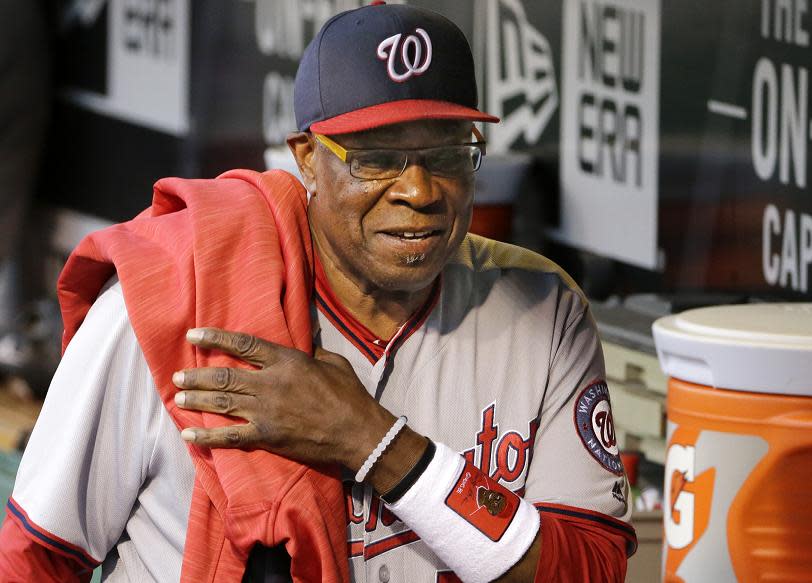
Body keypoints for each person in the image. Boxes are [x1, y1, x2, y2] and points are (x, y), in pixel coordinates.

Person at [0, 3, 636, 582]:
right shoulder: (169, 304)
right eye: (377, 158)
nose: (419, 191)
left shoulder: (544, 313)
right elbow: (38, 557)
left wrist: (372, 441)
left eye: (445, 153)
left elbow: (593, 567)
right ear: (306, 156)